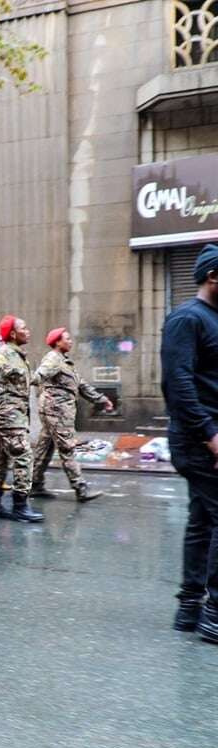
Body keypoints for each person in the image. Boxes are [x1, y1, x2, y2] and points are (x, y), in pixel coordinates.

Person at [161, 244, 218, 638]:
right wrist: (211, 435)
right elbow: (178, 384)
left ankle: (189, 608)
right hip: (199, 439)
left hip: (209, 436)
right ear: (213, 276)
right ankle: (214, 614)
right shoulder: (187, 319)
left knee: (203, 519)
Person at [30, 327, 114, 501]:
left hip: (54, 411)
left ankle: (35, 485)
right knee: (67, 448)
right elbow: (39, 376)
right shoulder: (53, 359)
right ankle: (80, 489)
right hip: (57, 412)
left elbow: (80, 385)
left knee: (44, 448)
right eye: (66, 339)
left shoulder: (64, 361)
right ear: (57, 342)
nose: (70, 341)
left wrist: (101, 400)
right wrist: (28, 380)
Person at [0, 316, 45, 524]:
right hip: (8, 417)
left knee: (0, 459)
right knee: (24, 456)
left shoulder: (18, 355)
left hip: (8, 416)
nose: (28, 330)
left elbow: (26, 380)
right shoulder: (5, 353)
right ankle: (20, 505)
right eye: (24, 327)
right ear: (13, 334)